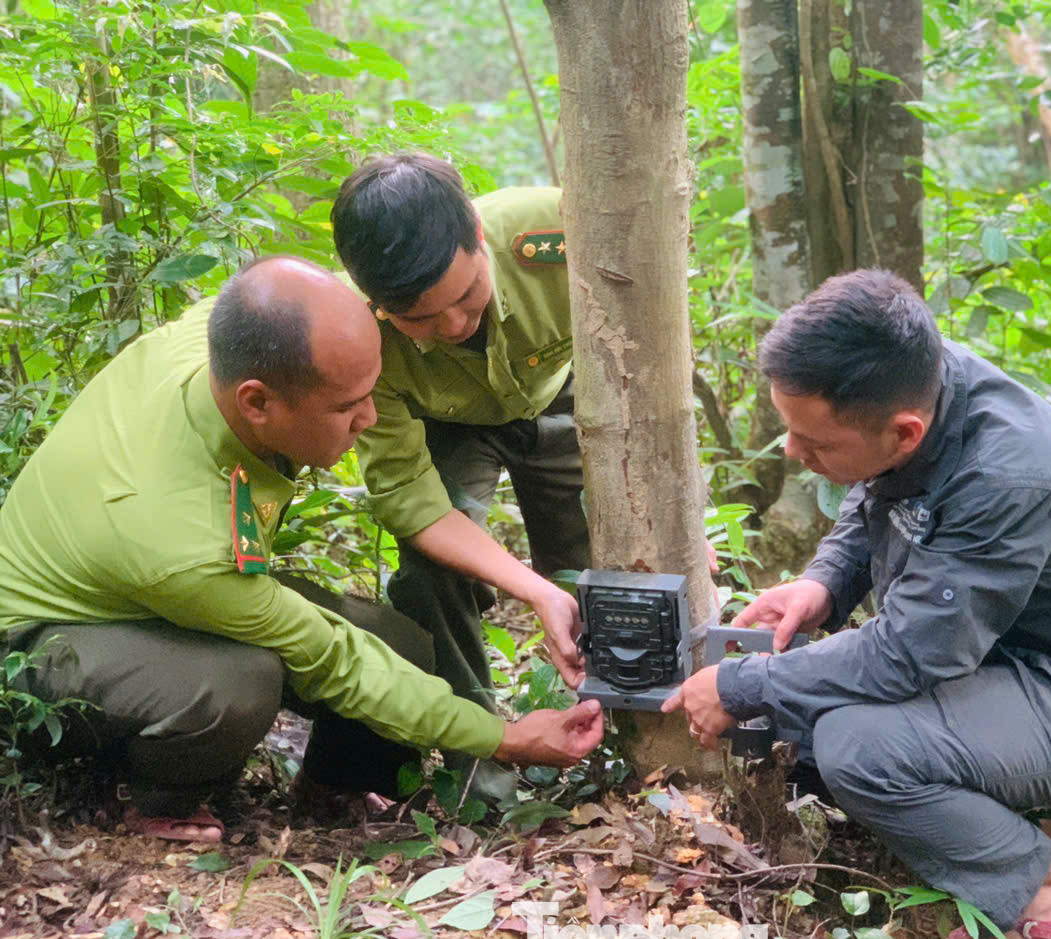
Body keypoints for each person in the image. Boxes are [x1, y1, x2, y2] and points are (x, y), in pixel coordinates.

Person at [662, 270, 1051, 939]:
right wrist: (823, 583)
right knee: (805, 725)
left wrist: (742, 683)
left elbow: (912, 654)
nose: (794, 453)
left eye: (815, 444)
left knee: (859, 748)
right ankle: (1049, 816)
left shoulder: (1008, 470)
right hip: (999, 662)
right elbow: (877, 488)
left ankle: (1043, 887)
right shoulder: (924, 386)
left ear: (906, 431)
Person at [0, 256, 604, 842]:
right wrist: (505, 737)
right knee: (237, 686)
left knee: (400, 642)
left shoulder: (226, 341)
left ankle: (330, 789)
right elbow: (331, 659)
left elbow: (327, 301)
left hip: (141, 578)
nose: (369, 419)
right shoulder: (179, 538)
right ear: (257, 403)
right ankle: (157, 800)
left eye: (373, 393)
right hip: (43, 638)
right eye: (346, 407)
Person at [329, 153, 591, 710]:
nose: (452, 326)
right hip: (447, 425)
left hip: (565, 393)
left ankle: (629, 727)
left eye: (467, 294)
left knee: (602, 567)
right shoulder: (351, 337)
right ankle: (480, 765)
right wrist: (528, 587)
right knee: (431, 577)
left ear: (476, 232)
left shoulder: (561, 229)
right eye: (419, 319)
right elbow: (411, 501)